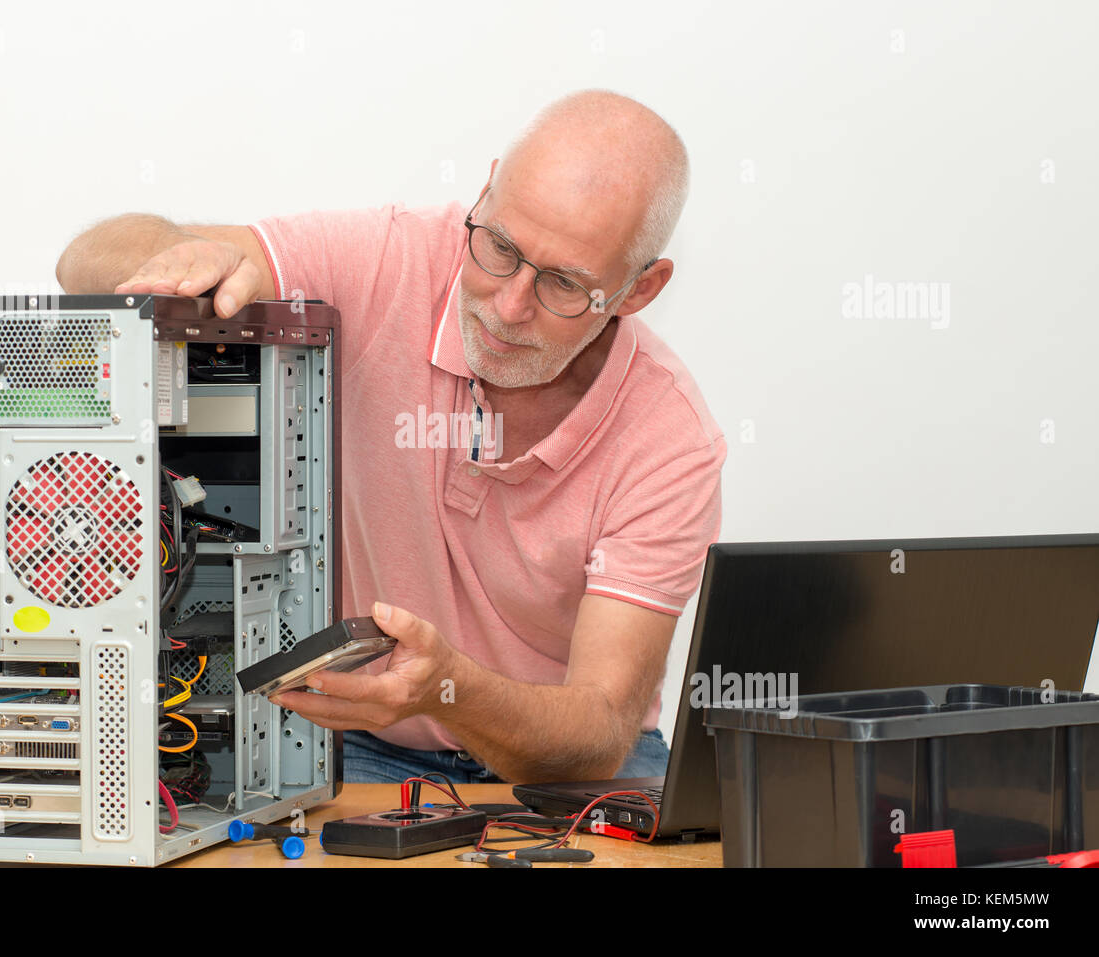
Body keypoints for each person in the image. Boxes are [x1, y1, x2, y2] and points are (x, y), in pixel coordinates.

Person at [56, 89, 725, 784]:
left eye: (562, 283)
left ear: (640, 289)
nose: (509, 303)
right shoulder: (390, 260)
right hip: (371, 746)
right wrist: (182, 264)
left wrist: (453, 689)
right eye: (499, 246)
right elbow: (83, 263)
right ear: (487, 191)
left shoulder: (668, 439)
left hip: (568, 768)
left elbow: (599, 728)